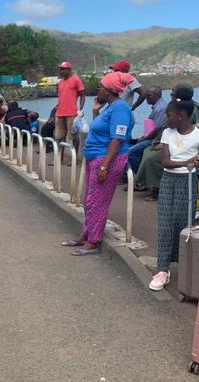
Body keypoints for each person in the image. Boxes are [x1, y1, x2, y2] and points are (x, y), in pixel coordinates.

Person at [61, 72, 133, 256]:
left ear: (108, 91)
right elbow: (102, 130)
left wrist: (104, 166)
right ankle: (86, 234)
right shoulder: (109, 107)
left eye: (100, 88)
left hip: (106, 160)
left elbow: (117, 139)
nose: (97, 91)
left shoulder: (120, 109)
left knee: (97, 201)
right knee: (89, 200)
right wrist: (95, 112)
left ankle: (93, 241)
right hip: (96, 158)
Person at [149, 99, 199, 291]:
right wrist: (187, 161)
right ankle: (162, 269)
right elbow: (165, 161)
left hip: (188, 182)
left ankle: (187, 267)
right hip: (169, 180)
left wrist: (196, 162)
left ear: (181, 116)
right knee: (165, 224)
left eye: (169, 115)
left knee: (184, 224)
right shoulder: (166, 133)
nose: (166, 118)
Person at [127, 86, 167, 176]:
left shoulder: (160, 108)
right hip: (151, 137)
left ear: (156, 96)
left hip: (156, 139)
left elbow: (157, 129)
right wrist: (142, 138)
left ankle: (142, 179)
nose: (146, 98)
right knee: (128, 145)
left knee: (130, 153)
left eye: (148, 96)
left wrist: (143, 140)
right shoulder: (157, 106)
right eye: (146, 95)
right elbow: (151, 127)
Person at [55, 61, 85, 165]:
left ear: (69, 70)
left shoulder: (76, 79)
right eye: (60, 69)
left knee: (73, 137)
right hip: (60, 113)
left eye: (63, 69)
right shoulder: (60, 82)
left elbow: (82, 95)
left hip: (72, 113)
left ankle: (74, 159)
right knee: (59, 137)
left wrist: (80, 110)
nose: (61, 71)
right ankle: (59, 158)